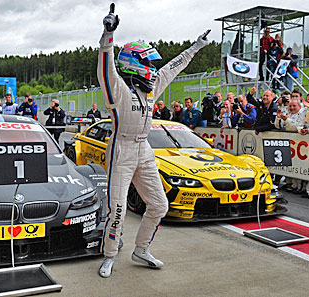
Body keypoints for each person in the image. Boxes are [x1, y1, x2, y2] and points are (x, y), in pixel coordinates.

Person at [96, 4, 210, 278]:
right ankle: (110, 256)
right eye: (148, 63)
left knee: (159, 205)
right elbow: (105, 66)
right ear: (134, 63)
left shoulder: (151, 88)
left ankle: (141, 249)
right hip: (121, 149)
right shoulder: (118, 89)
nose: (153, 68)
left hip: (144, 149)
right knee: (118, 210)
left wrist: (196, 47)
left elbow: (173, 68)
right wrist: (107, 34)